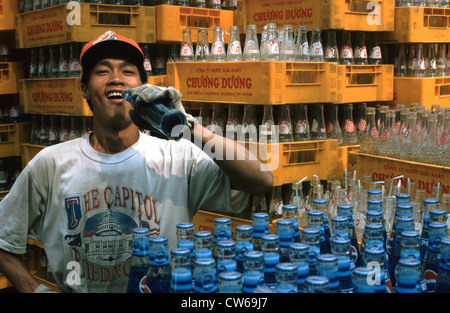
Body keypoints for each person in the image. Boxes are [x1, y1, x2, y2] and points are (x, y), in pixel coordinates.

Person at [0, 31, 273, 293]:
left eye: (128, 71)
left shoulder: (176, 156)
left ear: (144, 88)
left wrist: (188, 128)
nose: (116, 78)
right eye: (102, 71)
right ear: (84, 89)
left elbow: (260, 180)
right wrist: (34, 290)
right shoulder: (52, 163)